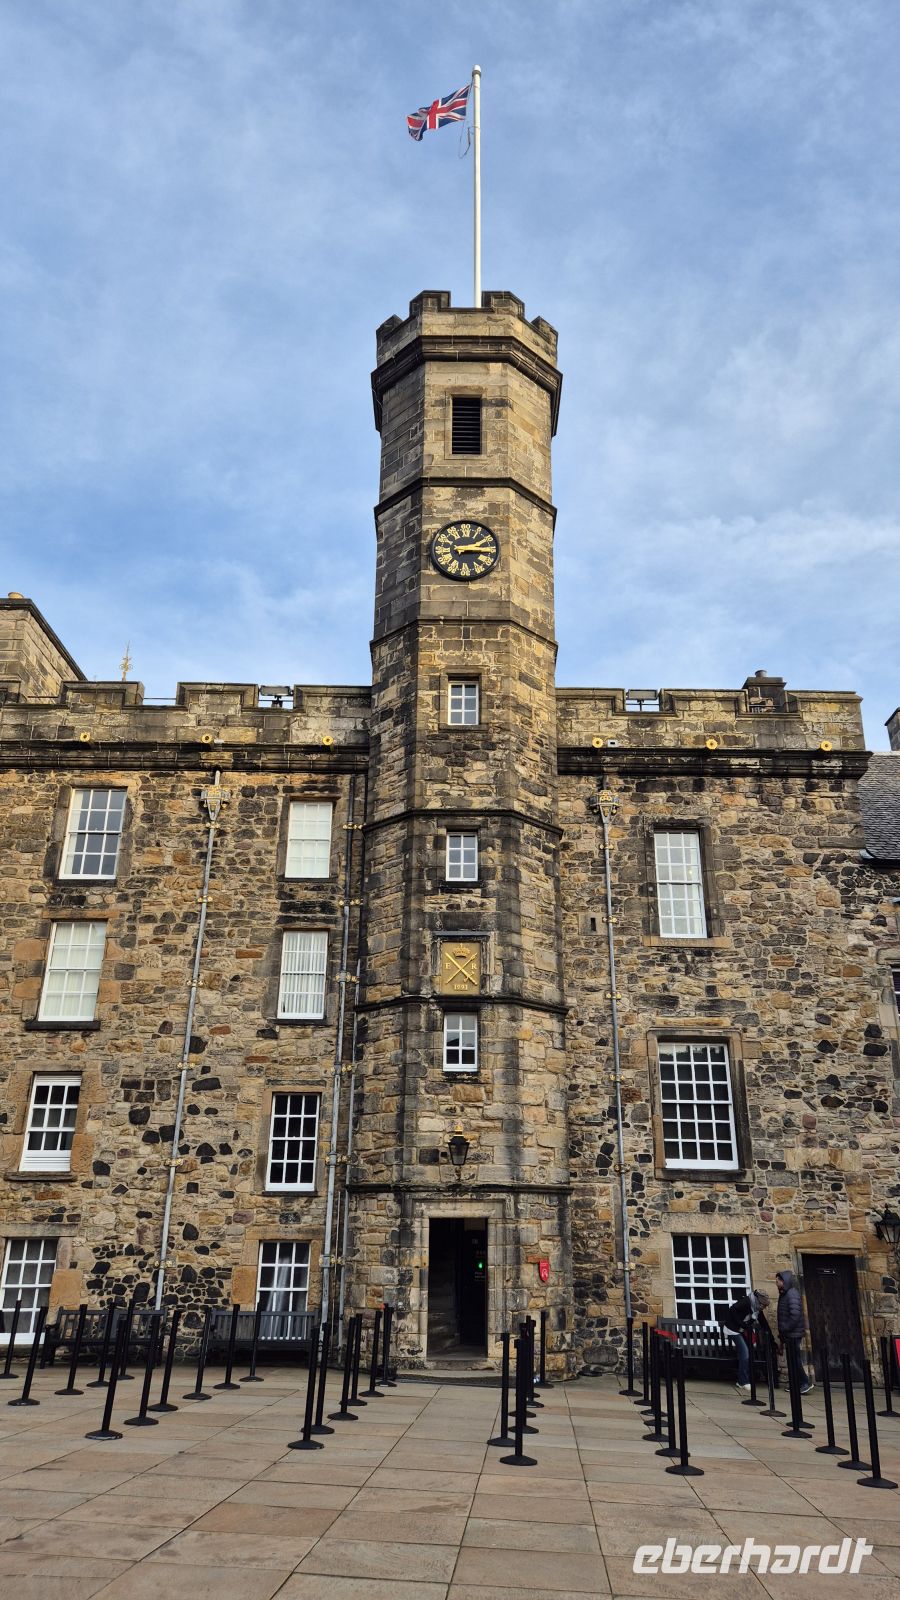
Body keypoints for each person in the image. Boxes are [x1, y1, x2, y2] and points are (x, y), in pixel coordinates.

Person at [720, 1289, 771, 1392]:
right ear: (758, 1301)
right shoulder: (746, 1302)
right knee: (745, 1353)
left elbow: (763, 1322)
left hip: (741, 1330)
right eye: (763, 1305)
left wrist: (770, 1336)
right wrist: (742, 1325)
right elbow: (732, 1310)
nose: (763, 1307)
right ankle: (742, 1381)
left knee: (748, 1351)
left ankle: (744, 1378)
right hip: (732, 1329)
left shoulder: (756, 1308)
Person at [775, 1269, 814, 1393]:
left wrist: (785, 1328)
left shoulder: (791, 1294)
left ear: (784, 1281)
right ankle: (796, 1384)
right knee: (792, 1359)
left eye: (778, 1280)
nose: (776, 1283)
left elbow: (795, 1315)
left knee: (795, 1359)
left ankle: (805, 1382)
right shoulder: (785, 1293)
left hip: (793, 1333)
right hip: (789, 1333)